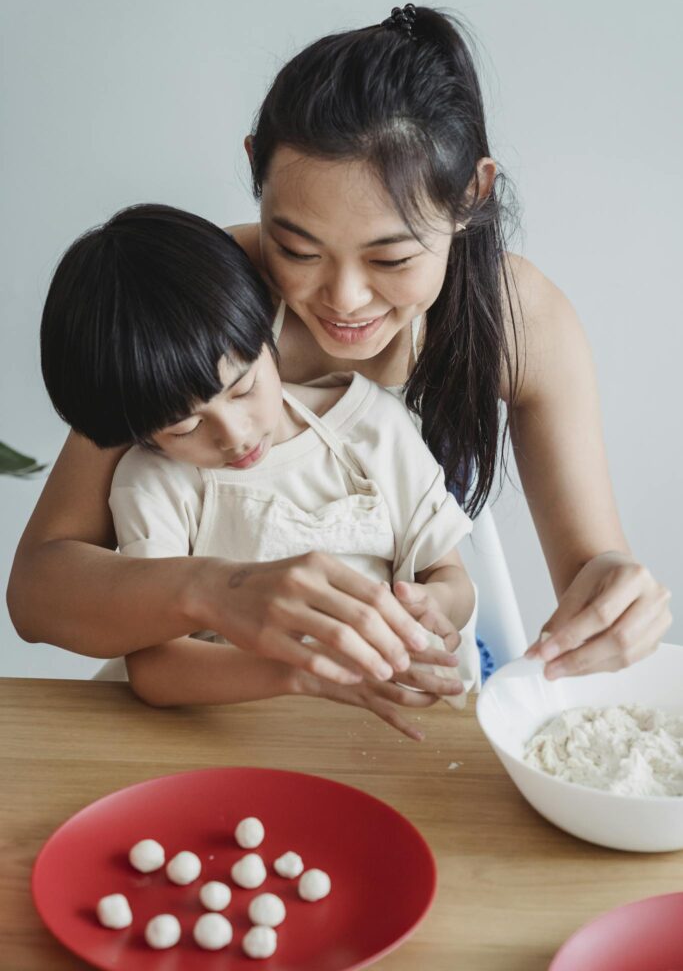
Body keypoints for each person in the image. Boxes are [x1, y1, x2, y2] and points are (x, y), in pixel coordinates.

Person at [8, 5, 670, 683]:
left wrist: (614, 592)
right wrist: (217, 591)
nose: (344, 300)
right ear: (254, 173)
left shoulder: (517, 321)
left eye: (391, 259)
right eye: (296, 249)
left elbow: (590, 569)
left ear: (473, 191)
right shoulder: (208, 306)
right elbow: (37, 590)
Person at [38, 204, 480, 738]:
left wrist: (433, 609)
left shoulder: (372, 428)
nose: (234, 434)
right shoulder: (153, 483)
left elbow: (450, 579)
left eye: (245, 388)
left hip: (371, 736)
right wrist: (305, 673)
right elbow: (157, 671)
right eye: (183, 428)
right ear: (141, 431)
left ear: (270, 335)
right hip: (217, 737)